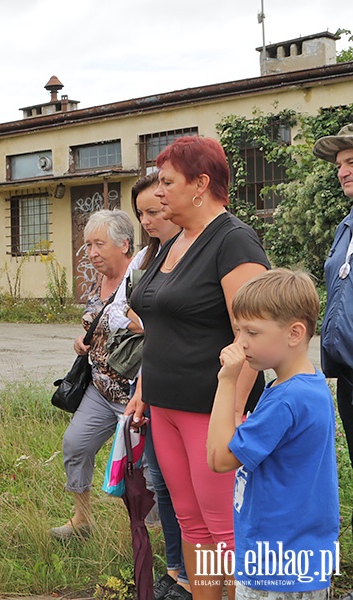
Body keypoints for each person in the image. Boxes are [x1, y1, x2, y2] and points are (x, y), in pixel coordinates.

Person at [128, 136, 270, 600]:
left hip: (212, 412)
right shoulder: (173, 242)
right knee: (190, 521)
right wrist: (145, 388)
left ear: (201, 184)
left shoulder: (233, 241)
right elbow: (160, 327)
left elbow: (252, 337)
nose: (159, 191)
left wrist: (228, 414)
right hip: (166, 406)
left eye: (168, 182)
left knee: (224, 527)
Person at [207, 269, 338, 600]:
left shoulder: (287, 399)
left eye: (252, 332)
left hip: (276, 564)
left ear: (294, 333)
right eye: (238, 331)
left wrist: (227, 381)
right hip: (300, 557)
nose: (241, 343)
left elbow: (218, 458)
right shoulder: (303, 384)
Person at [50, 209, 136, 539]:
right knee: (75, 445)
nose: (92, 253)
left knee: (142, 468)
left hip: (134, 393)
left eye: (99, 244)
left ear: (124, 244)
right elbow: (94, 322)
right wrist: (80, 340)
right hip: (99, 389)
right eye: (88, 245)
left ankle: (151, 528)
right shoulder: (97, 280)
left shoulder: (140, 280)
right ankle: (82, 519)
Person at [124, 174, 190, 600]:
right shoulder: (150, 258)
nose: (148, 220)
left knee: (194, 494)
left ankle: (196, 576)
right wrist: (143, 389)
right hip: (156, 385)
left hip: (192, 392)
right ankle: (176, 569)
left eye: (155, 210)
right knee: (161, 482)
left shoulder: (199, 253)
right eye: (142, 213)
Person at [312, 124, 353, 468]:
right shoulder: (346, 227)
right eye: (339, 164)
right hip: (348, 375)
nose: (342, 172)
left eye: (351, 161)